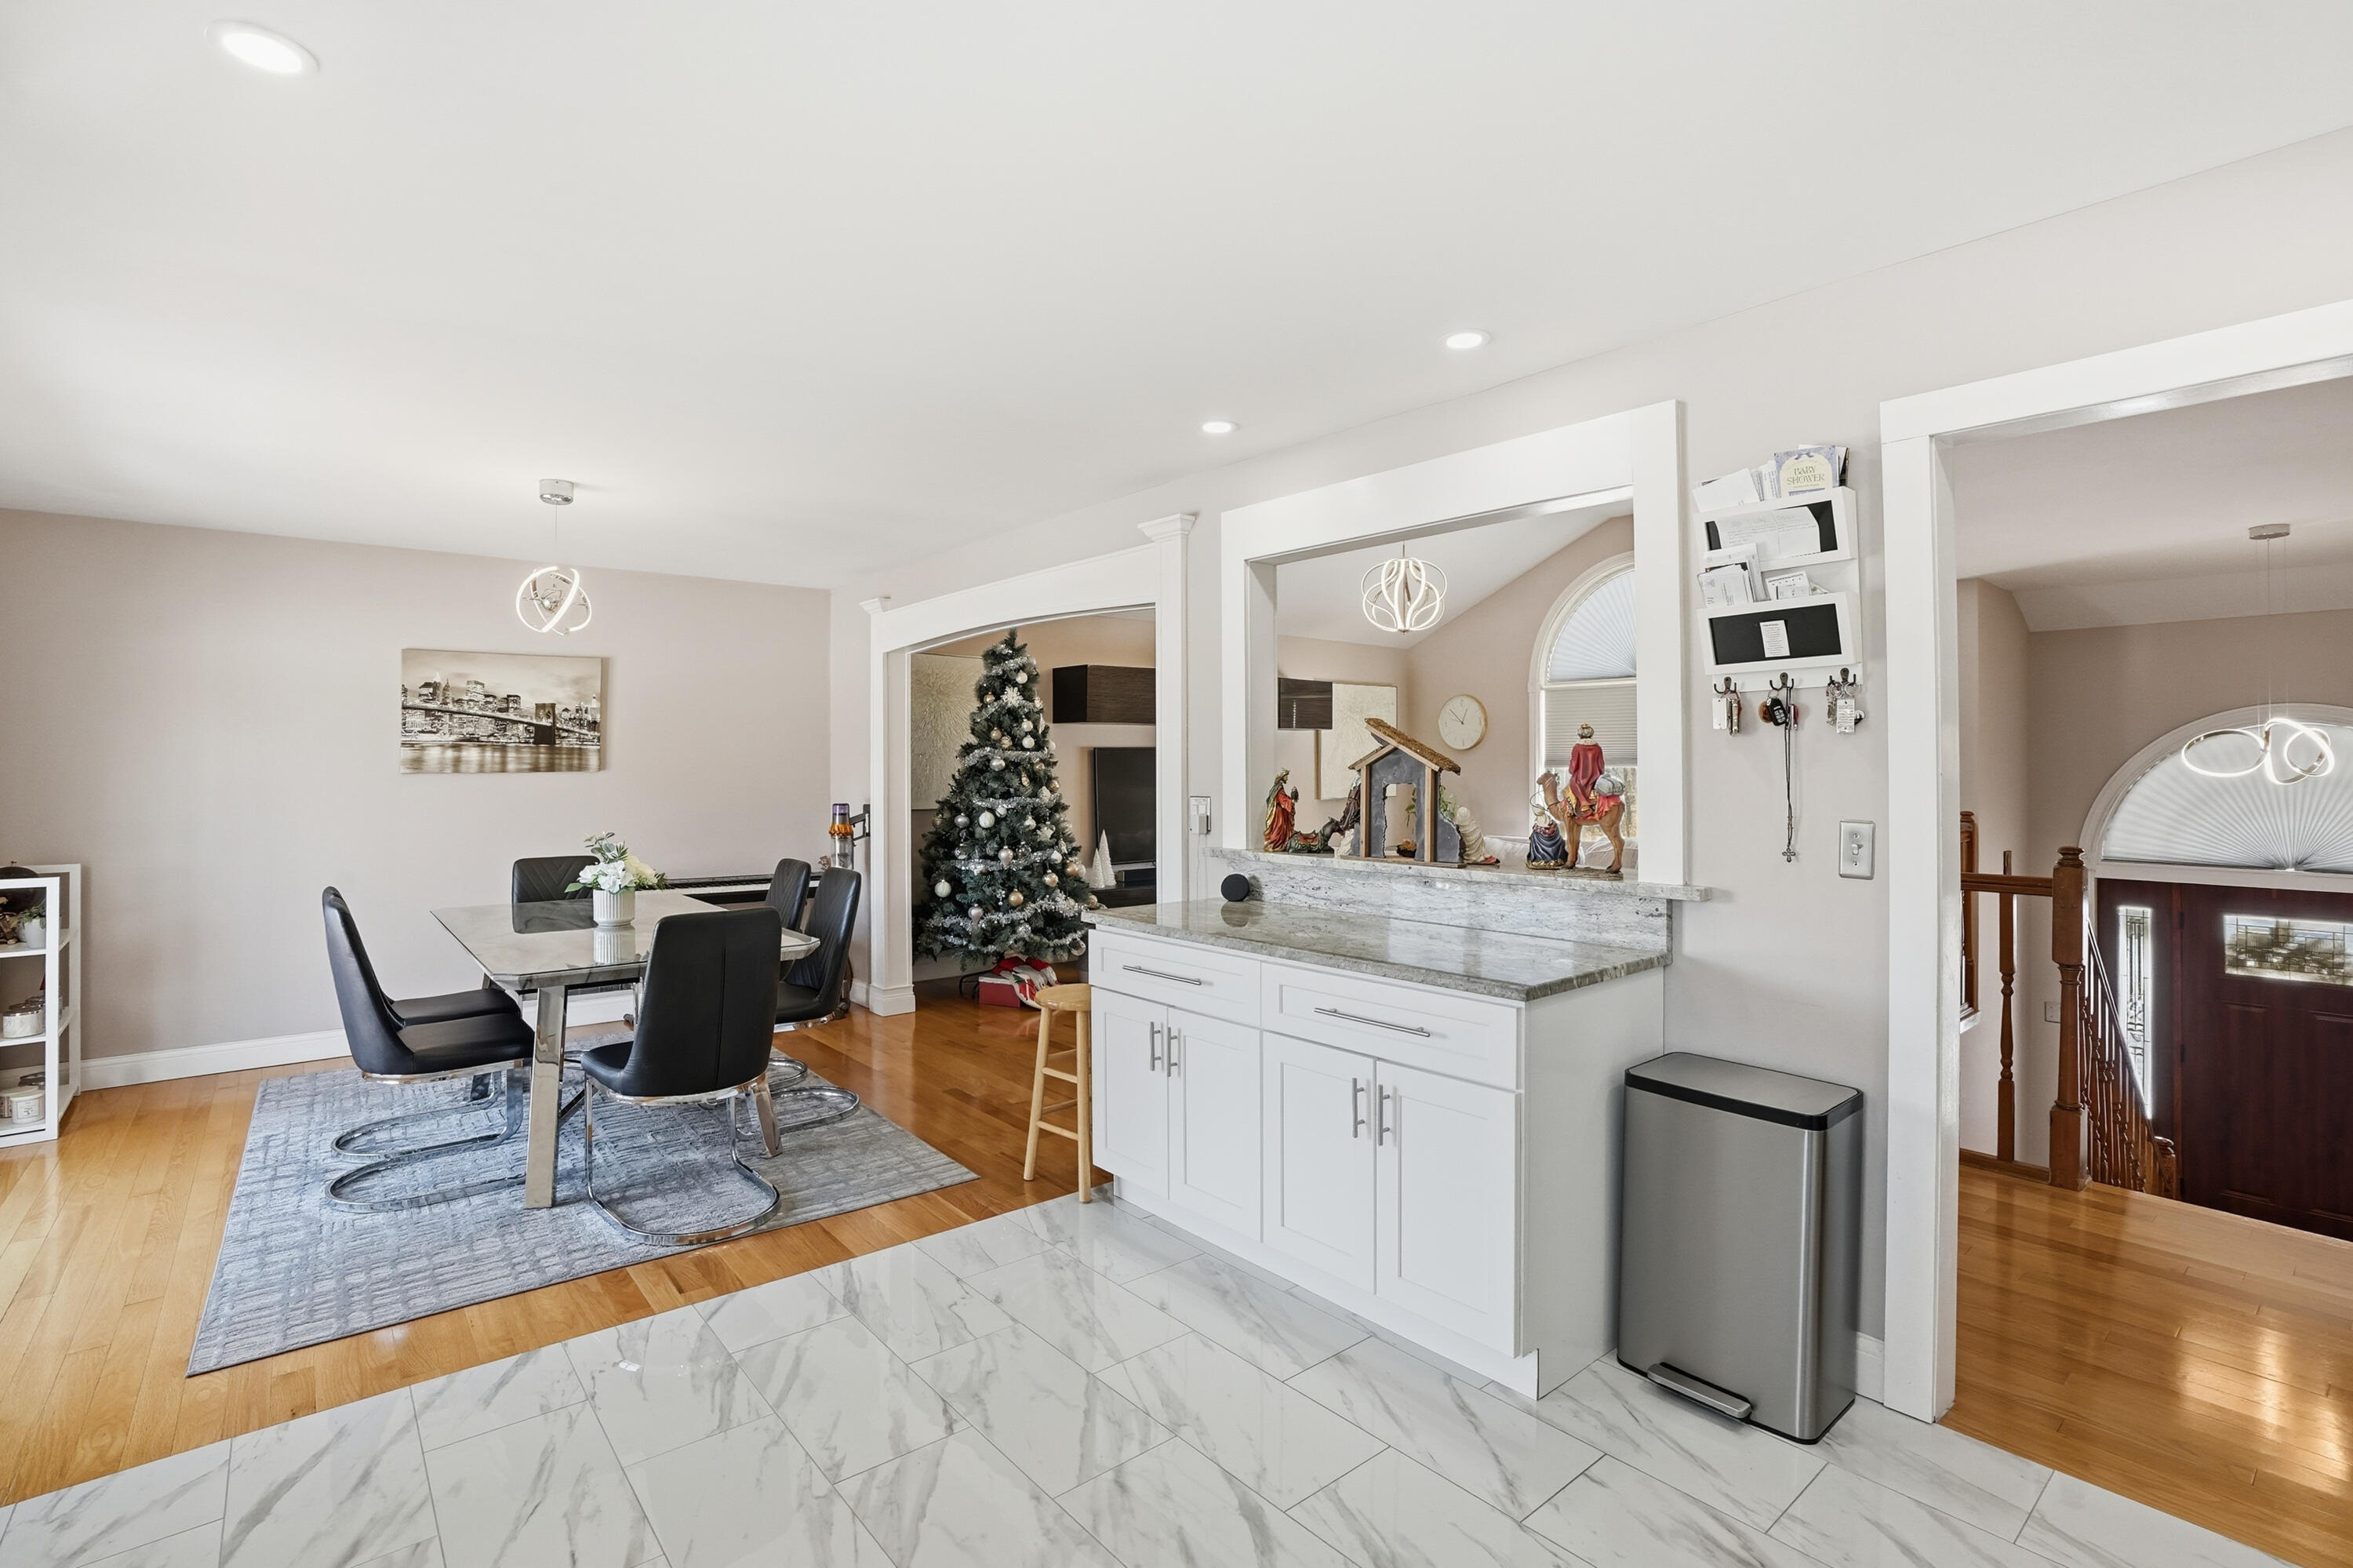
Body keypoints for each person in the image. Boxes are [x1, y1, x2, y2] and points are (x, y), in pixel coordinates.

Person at [1262, 769, 1299, 852]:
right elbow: (1282, 798)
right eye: (1286, 777)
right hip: (1278, 812)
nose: (1287, 779)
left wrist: (1290, 800)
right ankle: (1274, 843)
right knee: (1279, 827)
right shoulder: (1279, 788)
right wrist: (1291, 801)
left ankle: (1279, 843)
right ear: (1282, 777)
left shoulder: (1278, 787)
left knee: (1282, 827)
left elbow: (1284, 797)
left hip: (1280, 810)